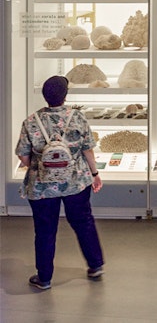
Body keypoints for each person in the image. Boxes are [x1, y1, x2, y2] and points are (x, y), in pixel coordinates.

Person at [16, 75, 105, 290]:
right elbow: (88, 150)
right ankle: (95, 265)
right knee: (83, 221)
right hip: (75, 181)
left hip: (42, 185)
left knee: (45, 229)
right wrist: (94, 174)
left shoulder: (31, 121)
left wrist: (41, 166)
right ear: (65, 96)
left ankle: (44, 278)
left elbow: (23, 156)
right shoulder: (77, 118)